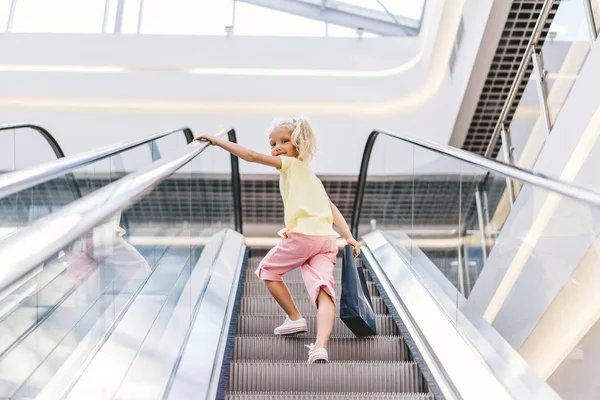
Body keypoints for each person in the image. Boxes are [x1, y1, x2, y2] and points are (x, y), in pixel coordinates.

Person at [196, 118, 360, 364]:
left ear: (297, 144)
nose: (277, 148)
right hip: (326, 240)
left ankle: (295, 318)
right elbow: (332, 208)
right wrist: (349, 237)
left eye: (284, 141)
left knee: (267, 270)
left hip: (303, 236)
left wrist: (219, 142)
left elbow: (251, 156)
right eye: (272, 143)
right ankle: (320, 347)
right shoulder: (311, 176)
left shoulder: (291, 165)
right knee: (324, 291)